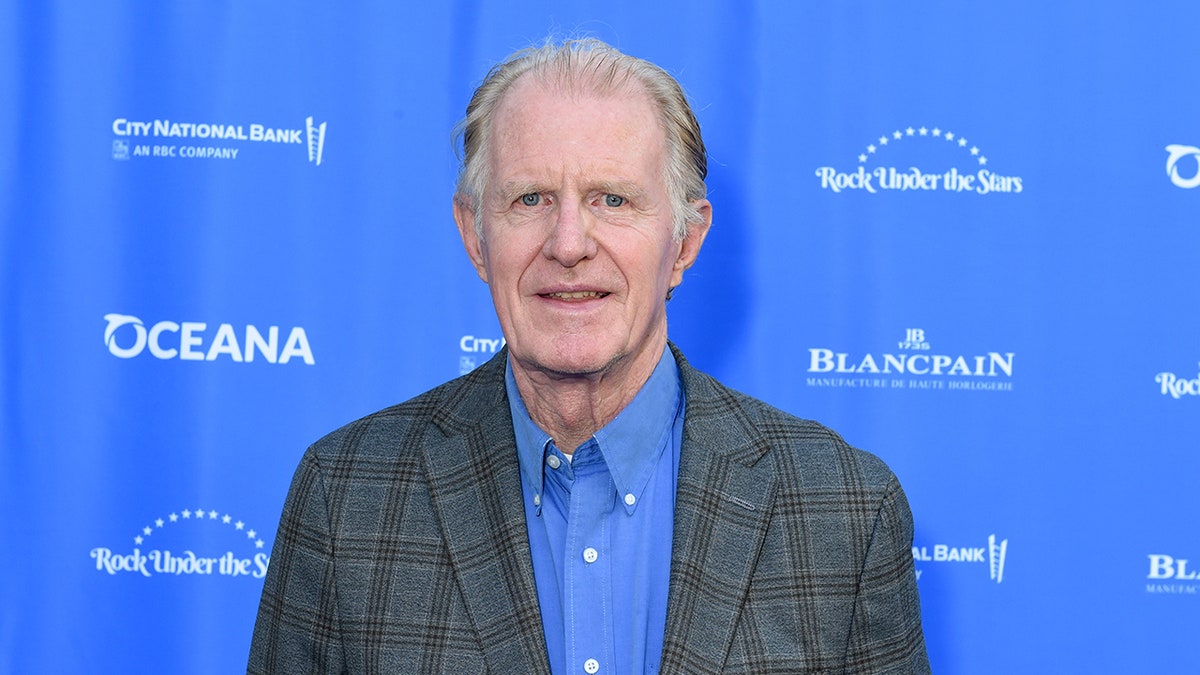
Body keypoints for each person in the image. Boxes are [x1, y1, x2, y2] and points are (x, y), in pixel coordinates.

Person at [249, 38, 930, 674]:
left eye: (612, 199)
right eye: (530, 198)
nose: (569, 242)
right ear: (475, 235)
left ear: (685, 243)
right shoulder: (345, 499)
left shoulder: (844, 511)